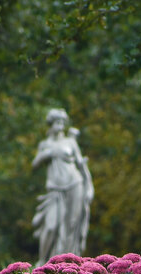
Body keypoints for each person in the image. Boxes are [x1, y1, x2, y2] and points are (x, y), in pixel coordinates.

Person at [32, 108, 93, 264]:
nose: (60, 126)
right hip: (55, 189)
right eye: (57, 122)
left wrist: (89, 186)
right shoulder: (45, 144)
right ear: (50, 124)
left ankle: (68, 264)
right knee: (51, 226)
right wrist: (47, 154)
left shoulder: (70, 142)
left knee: (72, 225)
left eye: (62, 122)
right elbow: (35, 165)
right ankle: (43, 261)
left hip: (75, 184)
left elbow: (81, 165)